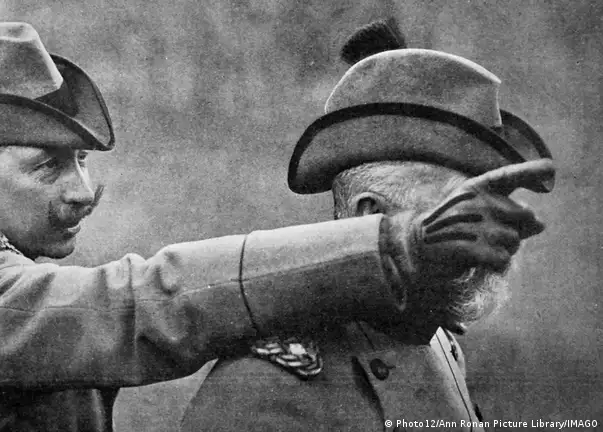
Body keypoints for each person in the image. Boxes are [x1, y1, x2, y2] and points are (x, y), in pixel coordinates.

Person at [179, 20, 555, 432]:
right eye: (463, 208)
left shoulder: (439, 343)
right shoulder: (264, 386)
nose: (497, 232)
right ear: (370, 214)